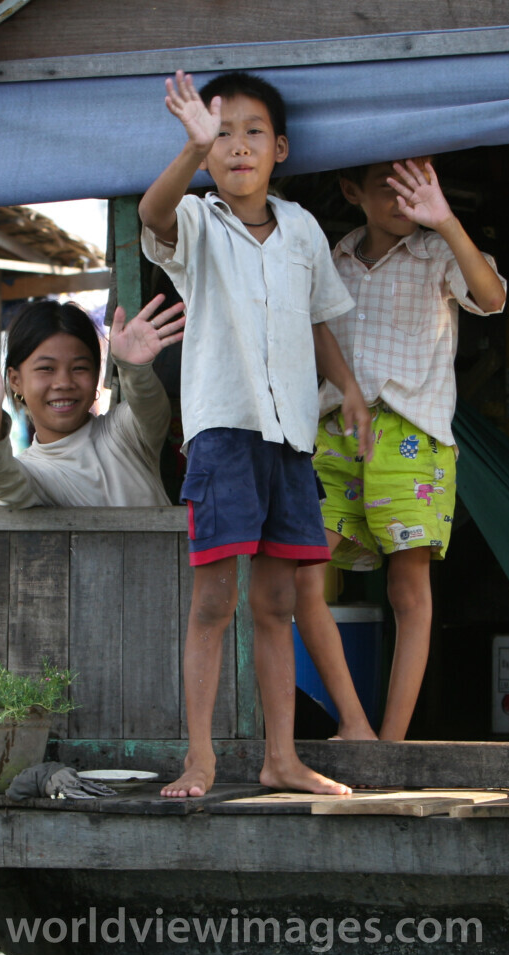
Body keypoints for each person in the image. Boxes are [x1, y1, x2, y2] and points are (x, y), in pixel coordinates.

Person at [139, 70, 373, 797]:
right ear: (206, 153)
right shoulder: (199, 221)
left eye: (252, 132)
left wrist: (354, 393)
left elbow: (317, 320)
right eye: (222, 134)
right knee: (214, 602)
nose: (237, 146)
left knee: (278, 604)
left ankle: (282, 758)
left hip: (291, 440)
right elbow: (153, 214)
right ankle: (200, 759)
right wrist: (189, 150)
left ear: (281, 148)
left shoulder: (302, 226)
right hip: (223, 436)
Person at [294, 158, 507, 741]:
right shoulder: (327, 259)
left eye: (416, 182)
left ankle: (391, 744)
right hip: (332, 431)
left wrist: (446, 221)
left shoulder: (439, 253)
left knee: (408, 591)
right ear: (350, 190)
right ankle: (355, 723)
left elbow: (490, 299)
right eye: (387, 183)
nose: (403, 194)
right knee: (301, 574)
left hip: (414, 439)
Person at [0, 295, 185, 508]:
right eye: (46, 369)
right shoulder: (33, 472)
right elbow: (4, 485)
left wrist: (134, 370)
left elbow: (149, 407)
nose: (63, 383)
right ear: (15, 380)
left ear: (96, 375)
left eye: (79, 368)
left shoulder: (124, 431)